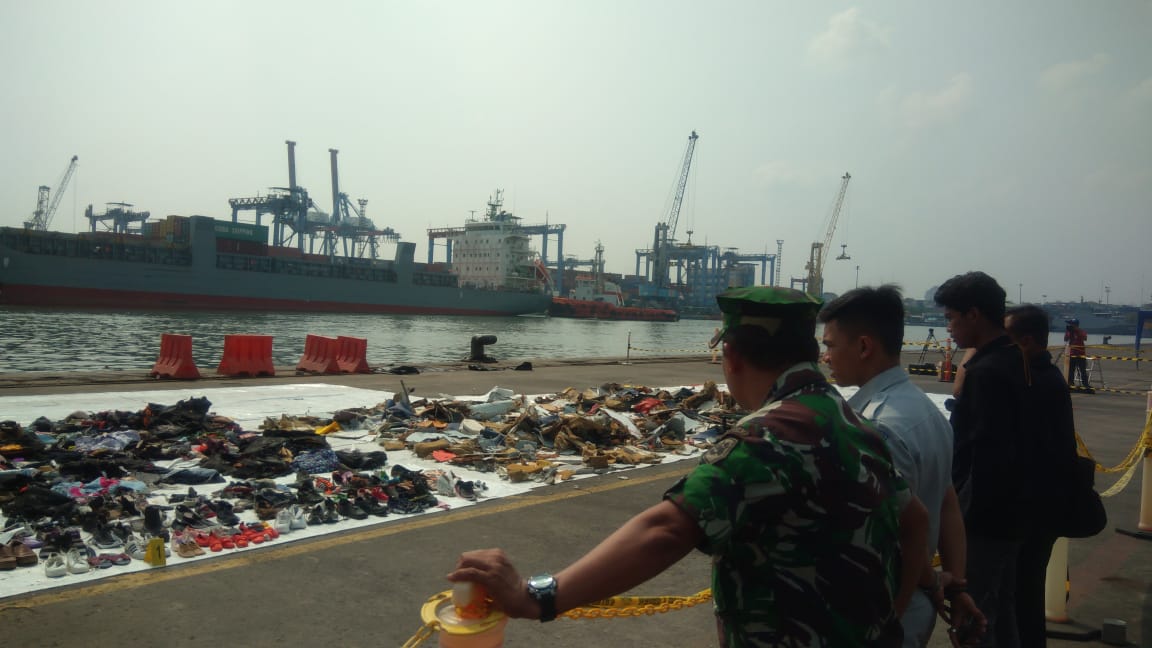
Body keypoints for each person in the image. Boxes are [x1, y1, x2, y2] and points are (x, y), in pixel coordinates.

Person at [449, 286, 928, 647]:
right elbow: (916, 522)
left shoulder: (769, 437)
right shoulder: (854, 423)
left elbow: (665, 530)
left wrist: (538, 596)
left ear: (732, 356)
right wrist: (890, 618)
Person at [820, 285, 985, 647]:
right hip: (914, 607)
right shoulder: (928, 411)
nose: (825, 357)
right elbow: (947, 502)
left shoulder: (879, 428)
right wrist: (956, 584)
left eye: (830, 345)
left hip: (884, 610)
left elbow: (897, 531)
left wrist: (935, 581)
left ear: (864, 347)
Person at [934, 271, 1037, 647]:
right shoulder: (1018, 360)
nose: (949, 329)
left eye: (951, 318)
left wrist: (960, 519)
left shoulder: (987, 373)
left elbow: (981, 456)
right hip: (1015, 512)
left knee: (973, 615)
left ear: (973, 314)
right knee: (1002, 607)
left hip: (984, 517)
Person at [1004, 304, 1079, 648]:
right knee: (1027, 593)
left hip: (1032, 510)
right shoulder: (1047, 378)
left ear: (1027, 341)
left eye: (1006, 339)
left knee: (1020, 595)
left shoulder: (1034, 382)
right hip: (1043, 507)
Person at [1063, 318, 1091, 391]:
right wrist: (1068, 332)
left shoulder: (1081, 331)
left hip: (1080, 354)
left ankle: (1085, 385)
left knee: (1083, 371)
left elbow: (1085, 338)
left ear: (1075, 325)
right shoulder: (1069, 332)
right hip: (1071, 354)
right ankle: (1070, 384)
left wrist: (1077, 331)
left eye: (1071, 324)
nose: (1070, 326)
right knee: (1071, 371)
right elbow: (1065, 339)